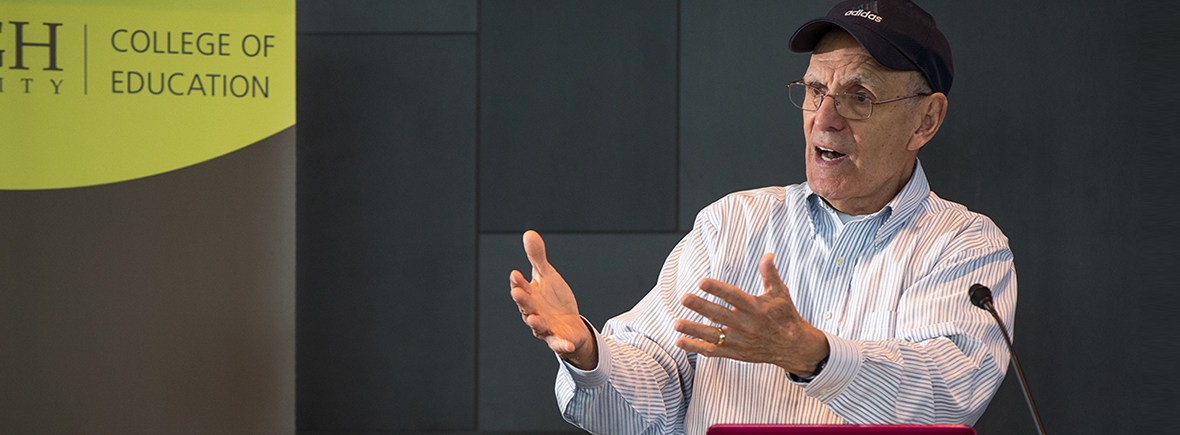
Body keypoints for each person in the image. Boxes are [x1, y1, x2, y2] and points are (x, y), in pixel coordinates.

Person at [509, 1, 1017, 434]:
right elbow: (653, 393)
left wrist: (811, 355)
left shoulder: (964, 245)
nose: (824, 119)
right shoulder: (733, 225)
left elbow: (945, 396)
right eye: (815, 91)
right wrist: (589, 354)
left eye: (859, 97)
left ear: (925, 120)